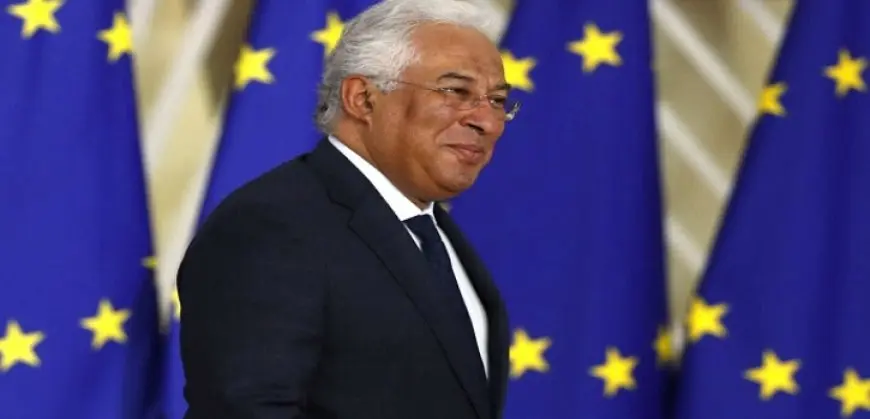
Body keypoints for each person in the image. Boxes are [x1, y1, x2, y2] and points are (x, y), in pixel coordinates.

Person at [177, 1, 519, 418]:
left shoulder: (432, 234)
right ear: (362, 99)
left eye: (497, 100)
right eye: (455, 91)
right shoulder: (270, 227)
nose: (488, 122)